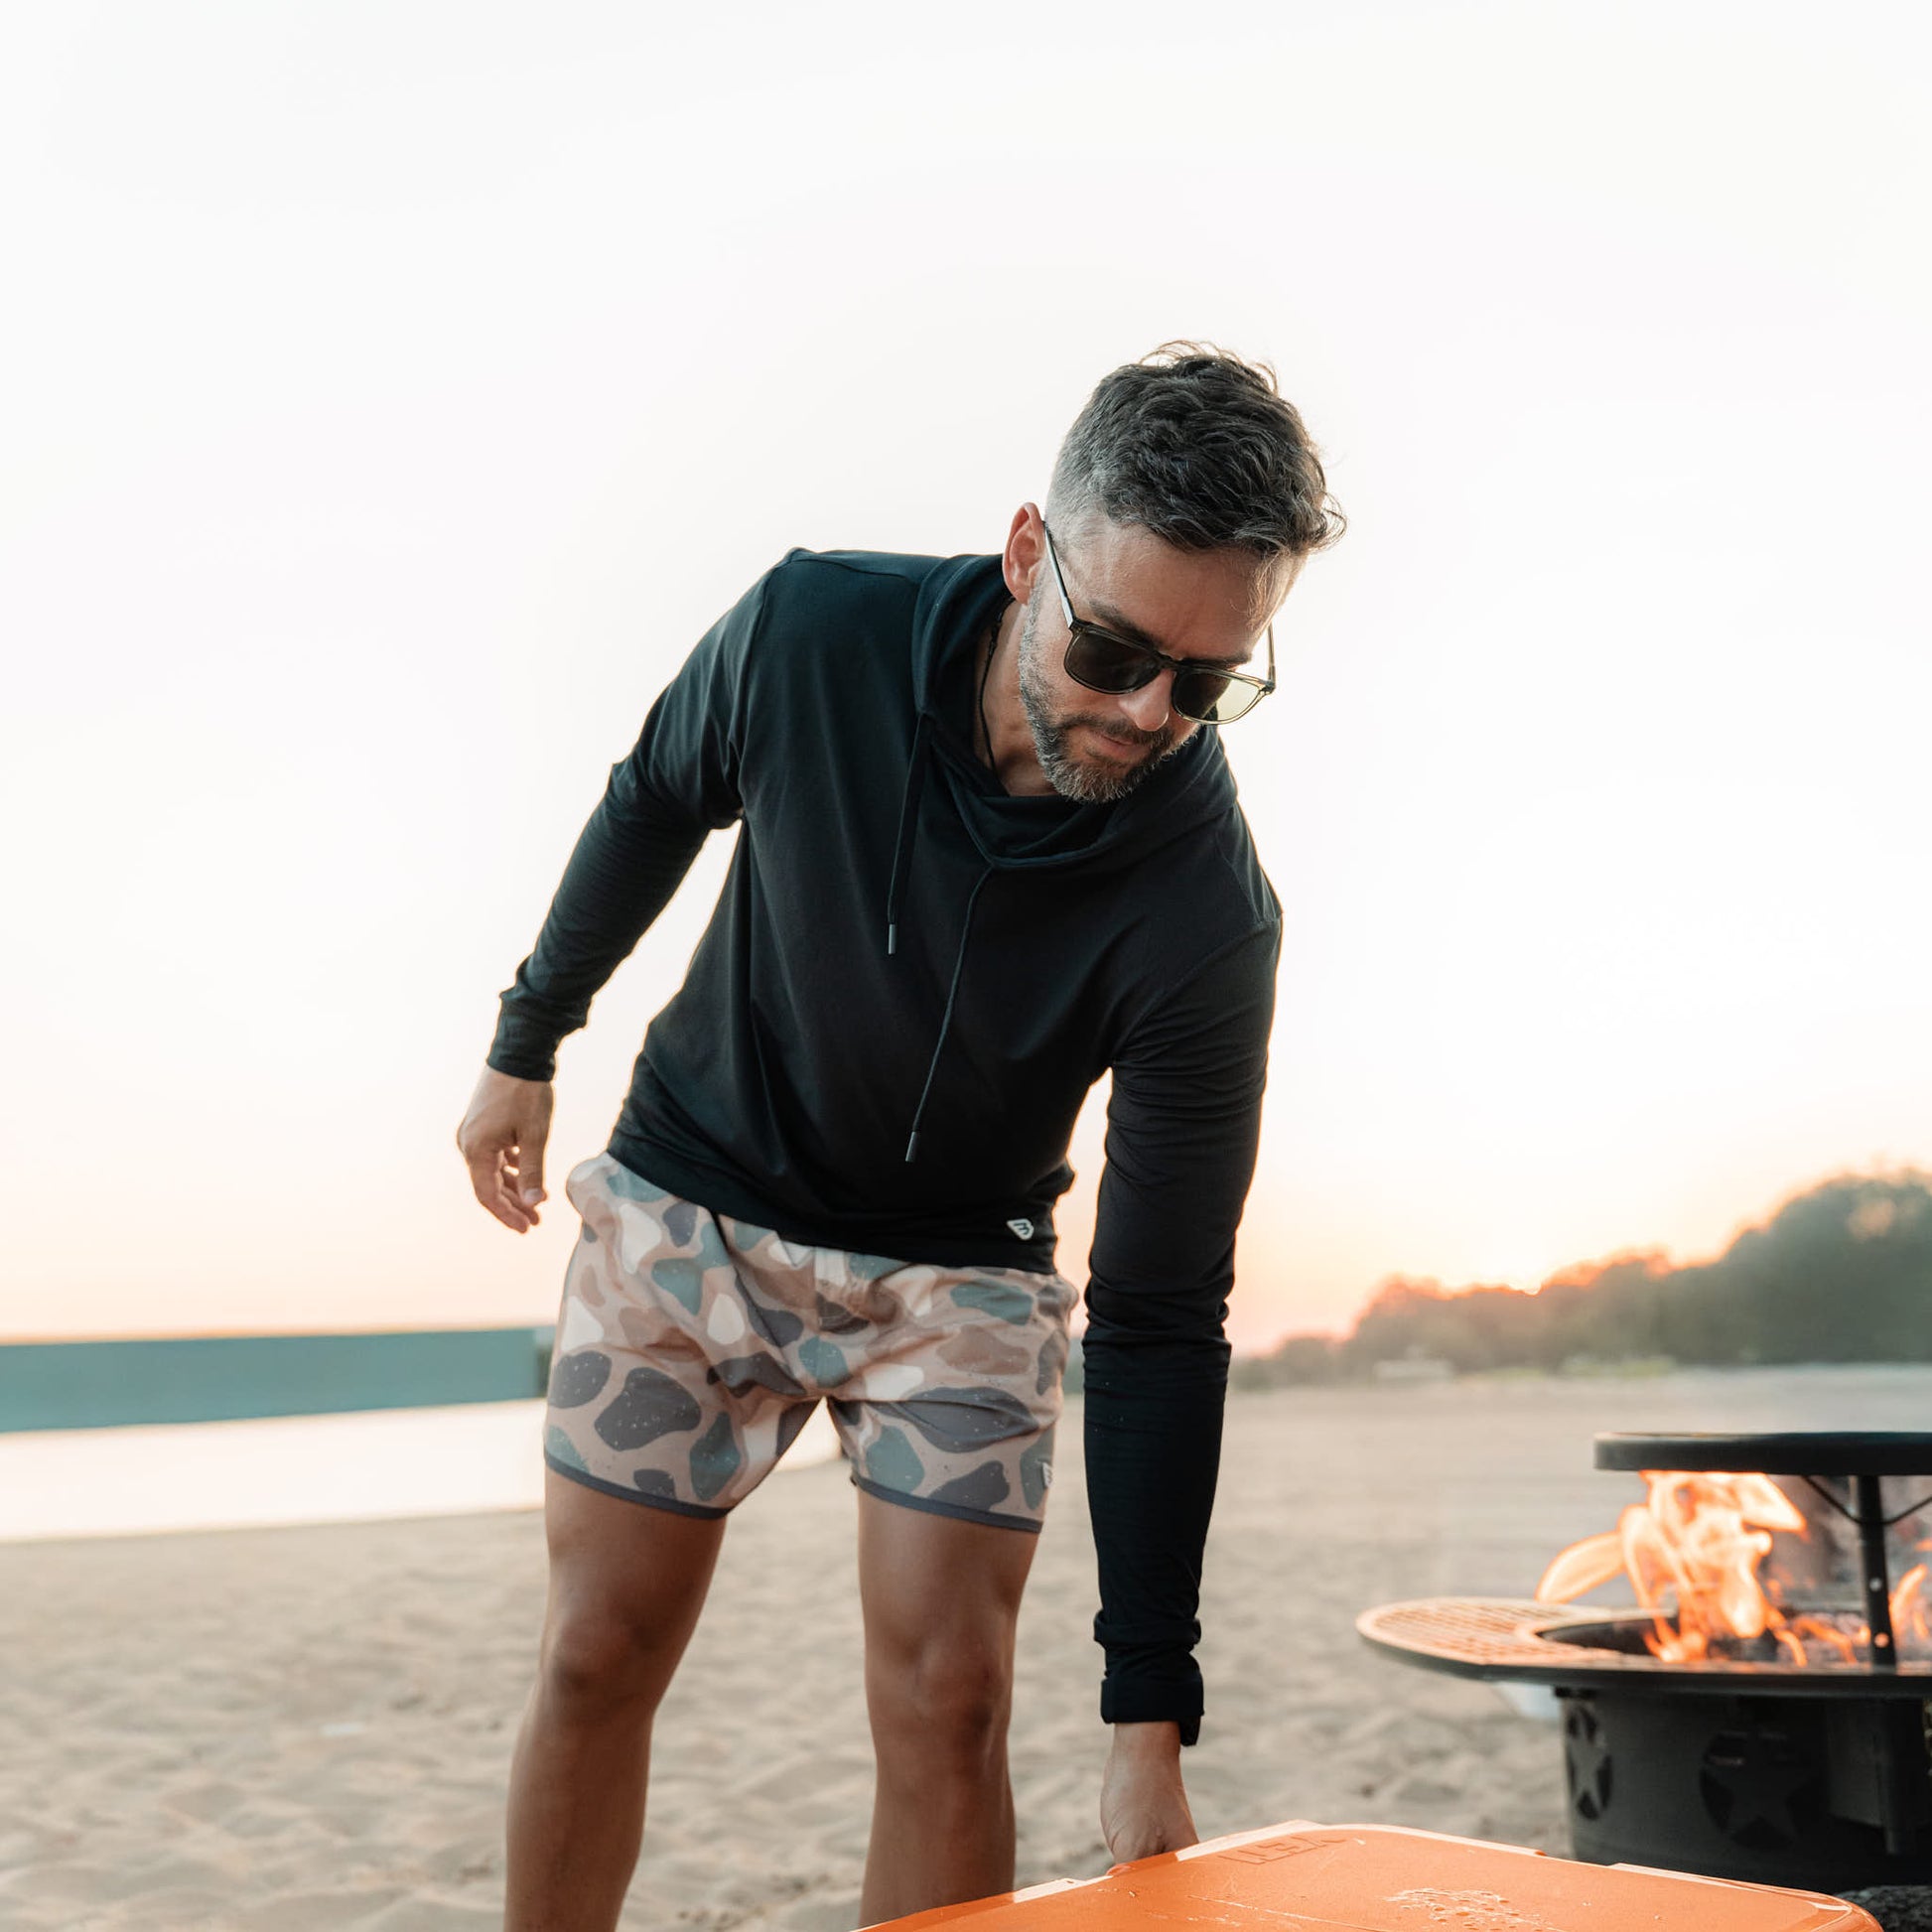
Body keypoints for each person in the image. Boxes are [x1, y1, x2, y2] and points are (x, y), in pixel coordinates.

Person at [457, 343, 1342, 1931]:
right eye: (1115, 650)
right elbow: (658, 794)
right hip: (694, 1198)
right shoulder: (812, 634)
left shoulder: (1205, 909)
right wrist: (528, 1039)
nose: (1147, 713)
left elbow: (1156, 1308)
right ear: (1028, 555)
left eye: (1206, 684)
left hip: (960, 1275)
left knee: (951, 1707)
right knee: (594, 1651)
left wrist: (1148, 1710)